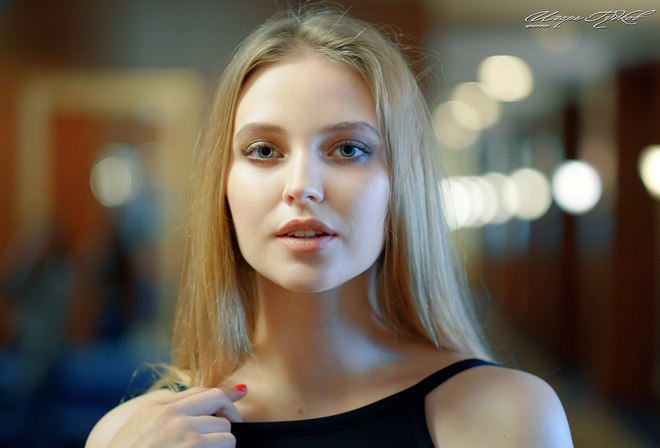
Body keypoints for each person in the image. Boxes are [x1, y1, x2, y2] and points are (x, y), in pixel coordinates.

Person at [86, 4, 573, 447]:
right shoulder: (128, 434)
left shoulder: (506, 417)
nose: (301, 187)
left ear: (400, 187)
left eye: (348, 149)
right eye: (264, 151)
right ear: (224, 188)